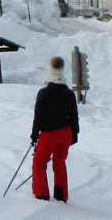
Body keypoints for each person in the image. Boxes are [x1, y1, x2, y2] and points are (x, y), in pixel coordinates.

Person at [30, 56, 79, 202]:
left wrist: (34, 135)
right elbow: (74, 116)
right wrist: (74, 134)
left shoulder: (44, 93)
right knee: (59, 163)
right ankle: (61, 195)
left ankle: (42, 193)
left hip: (49, 134)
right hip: (66, 133)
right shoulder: (69, 94)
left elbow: (38, 116)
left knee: (39, 162)